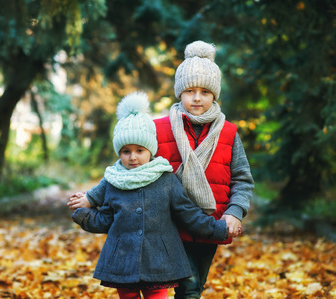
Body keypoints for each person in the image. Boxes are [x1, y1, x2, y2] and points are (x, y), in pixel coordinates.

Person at [69, 41, 255, 299]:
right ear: (180, 92)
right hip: (166, 226)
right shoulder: (158, 129)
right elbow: (126, 169)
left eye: (204, 91)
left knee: (195, 286)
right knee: (186, 289)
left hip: (209, 221)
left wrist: (235, 212)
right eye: (190, 90)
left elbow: (242, 179)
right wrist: (92, 197)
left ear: (215, 94)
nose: (197, 97)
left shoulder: (229, 133)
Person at [70, 91, 229, 299]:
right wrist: (82, 214)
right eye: (126, 151)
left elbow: (187, 213)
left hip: (159, 262)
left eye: (139, 150)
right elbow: (105, 220)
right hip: (122, 261)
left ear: (150, 150)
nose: (132, 157)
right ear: (119, 153)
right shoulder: (113, 181)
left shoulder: (165, 179)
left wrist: (219, 229)